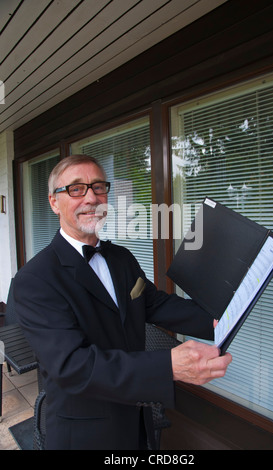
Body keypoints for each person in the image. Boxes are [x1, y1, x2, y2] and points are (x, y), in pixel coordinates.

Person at [13, 154, 232, 450]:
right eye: (76, 189)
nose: (91, 197)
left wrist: (218, 322)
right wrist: (167, 366)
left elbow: (154, 304)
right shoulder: (35, 279)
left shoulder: (121, 258)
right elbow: (72, 366)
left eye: (99, 187)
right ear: (54, 202)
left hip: (137, 416)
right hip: (85, 433)